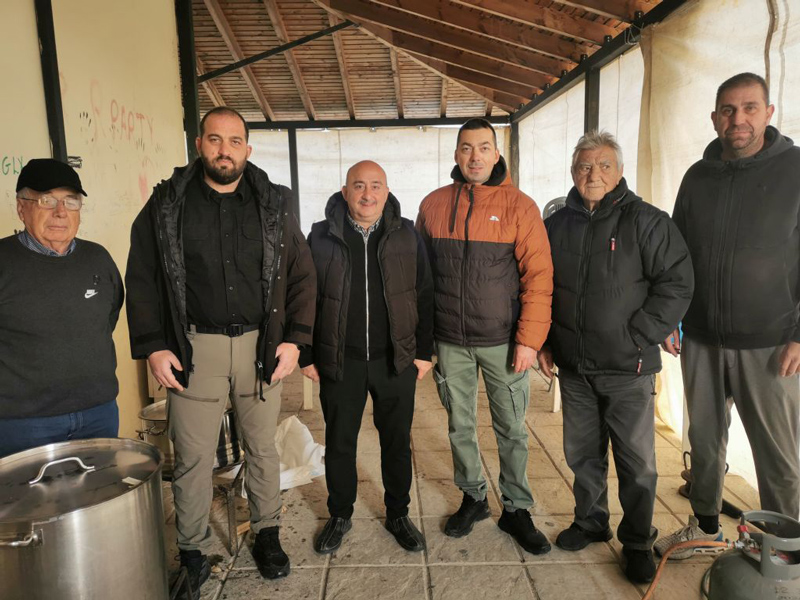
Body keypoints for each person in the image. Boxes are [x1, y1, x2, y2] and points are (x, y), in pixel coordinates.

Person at [125, 107, 316, 596]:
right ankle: (192, 552)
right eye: (215, 139)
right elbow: (142, 276)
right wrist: (153, 347)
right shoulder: (167, 204)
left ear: (247, 149)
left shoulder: (274, 204)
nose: (224, 150)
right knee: (192, 456)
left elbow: (301, 275)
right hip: (195, 347)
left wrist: (295, 340)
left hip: (260, 345)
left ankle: (268, 533)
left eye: (234, 141)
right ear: (199, 144)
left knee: (262, 447)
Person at [539, 131, 694, 583]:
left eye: (604, 165)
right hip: (575, 366)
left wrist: (639, 335)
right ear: (573, 172)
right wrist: (545, 340)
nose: (594, 174)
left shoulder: (647, 221)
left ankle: (638, 541)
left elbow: (677, 283)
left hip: (629, 367)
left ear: (620, 171)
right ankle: (591, 521)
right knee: (582, 454)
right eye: (585, 166)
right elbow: (541, 287)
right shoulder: (556, 225)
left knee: (637, 462)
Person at [656, 72, 800, 558]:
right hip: (700, 337)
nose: (738, 119)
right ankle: (704, 527)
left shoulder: (795, 169)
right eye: (728, 110)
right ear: (715, 117)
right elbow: (675, 254)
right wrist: (671, 317)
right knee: (704, 440)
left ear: (769, 113)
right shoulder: (698, 177)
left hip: (771, 342)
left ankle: (785, 550)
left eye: (749, 108)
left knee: (776, 451)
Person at [416, 118, 554, 554]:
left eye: (483, 148)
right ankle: (473, 497)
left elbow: (539, 276)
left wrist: (529, 340)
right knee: (460, 425)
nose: (474, 156)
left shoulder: (521, 207)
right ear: (456, 154)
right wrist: (423, 340)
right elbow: (420, 277)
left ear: (496, 154)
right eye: (466, 148)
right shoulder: (434, 204)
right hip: (449, 340)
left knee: (511, 427)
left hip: (503, 342)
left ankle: (516, 507)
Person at [300, 160, 434, 554]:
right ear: (345, 192)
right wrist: (306, 353)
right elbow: (304, 297)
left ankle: (398, 513)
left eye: (376, 185)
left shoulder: (407, 235)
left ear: (387, 191)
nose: (367, 194)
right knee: (340, 442)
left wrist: (423, 352)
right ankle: (340, 514)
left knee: (396, 441)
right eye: (359, 185)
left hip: (395, 360)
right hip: (341, 360)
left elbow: (425, 294)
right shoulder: (320, 236)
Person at [0, 159, 122, 458]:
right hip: (22, 424)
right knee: (28, 492)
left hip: (99, 415)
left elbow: (108, 318)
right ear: (21, 208)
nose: (60, 212)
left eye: (71, 201)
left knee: (102, 488)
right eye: (47, 200)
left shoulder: (98, 258)